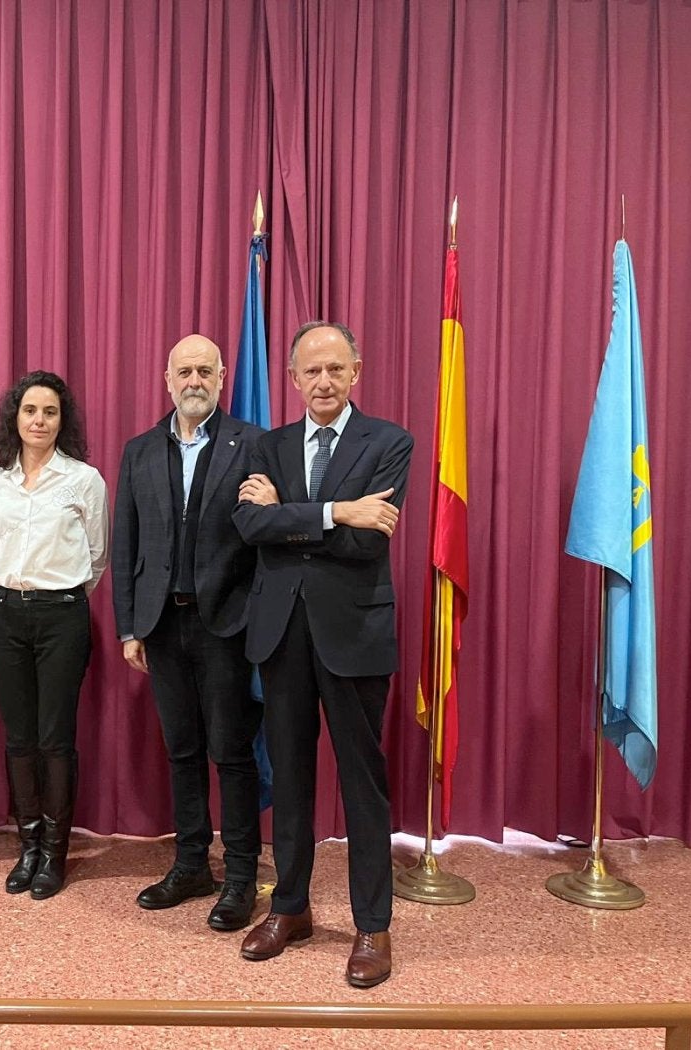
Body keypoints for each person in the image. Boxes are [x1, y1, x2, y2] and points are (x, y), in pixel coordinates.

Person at [233, 321, 412, 987]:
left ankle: (373, 925)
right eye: (312, 371)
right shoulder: (269, 444)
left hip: (355, 635)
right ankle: (290, 907)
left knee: (363, 783)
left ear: (356, 371)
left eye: (336, 368)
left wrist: (294, 517)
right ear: (293, 378)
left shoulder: (390, 441)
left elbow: (373, 542)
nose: (325, 382)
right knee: (292, 774)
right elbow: (251, 525)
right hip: (282, 632)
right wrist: (339, 512)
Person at [112, 333, 264, 931]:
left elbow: (265, 535)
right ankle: (193, 862)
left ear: (223, 378)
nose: (194, 380)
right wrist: (129, 626)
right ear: (167, 379)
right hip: (160, 623)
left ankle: (244, 874)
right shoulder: (139, 451)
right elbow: (126, 544)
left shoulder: (252, 444)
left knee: (231, 751)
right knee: (181, 750)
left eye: (206, 370)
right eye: (185, 371)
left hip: (227, 624)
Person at [0, 370, 108, 900]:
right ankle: (27, 846)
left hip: (62, 617)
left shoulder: (83, 480)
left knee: (55, 738)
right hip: (5, 613)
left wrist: (59, 595)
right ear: (16, 415)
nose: (38, 420)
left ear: (62, 420)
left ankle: (55, 852)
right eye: (30, 410)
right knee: (18, 738)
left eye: (50, 412)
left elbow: (96, 556)